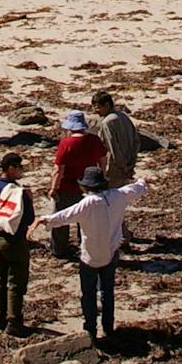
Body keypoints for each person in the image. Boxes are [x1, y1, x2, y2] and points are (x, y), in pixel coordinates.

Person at [34, 166, 148, 347]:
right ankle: (108, 327)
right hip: (111, 253)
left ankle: (91, 329)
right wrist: (142, 181)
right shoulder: (118, 195)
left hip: (90, 256)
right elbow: (137, 188)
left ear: (86, 186)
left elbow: (65, 216)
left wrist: (45, 219)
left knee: (88, 294)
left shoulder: (88, 204)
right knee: (107, 291)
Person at [0, 152, 35, 335]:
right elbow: (29, 219)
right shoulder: (19, 193)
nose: (22, 171)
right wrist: (30, 200)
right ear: (10, 169)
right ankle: (14, 321)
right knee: (16, 282)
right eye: (19, 167)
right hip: (15, 241)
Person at [48, 110, 108, 261]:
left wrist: (54, 188)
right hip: (89, 186)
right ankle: (85, 248)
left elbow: (58, 169)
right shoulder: (94, 140)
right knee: (86, 220)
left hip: (67, 187)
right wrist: (102, 176)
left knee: (60, 219)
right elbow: (103, 160)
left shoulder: (66, 144)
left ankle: (59, 250)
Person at [91, 91, 139, 188]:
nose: (95, 111)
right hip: (129, 163)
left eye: (98, 107)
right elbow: (136, 141)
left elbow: (113, 148)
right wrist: (132, 163)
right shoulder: (123, 116)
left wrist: (123, 167)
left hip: (116, 168)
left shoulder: (107, 123)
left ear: (107, 105)